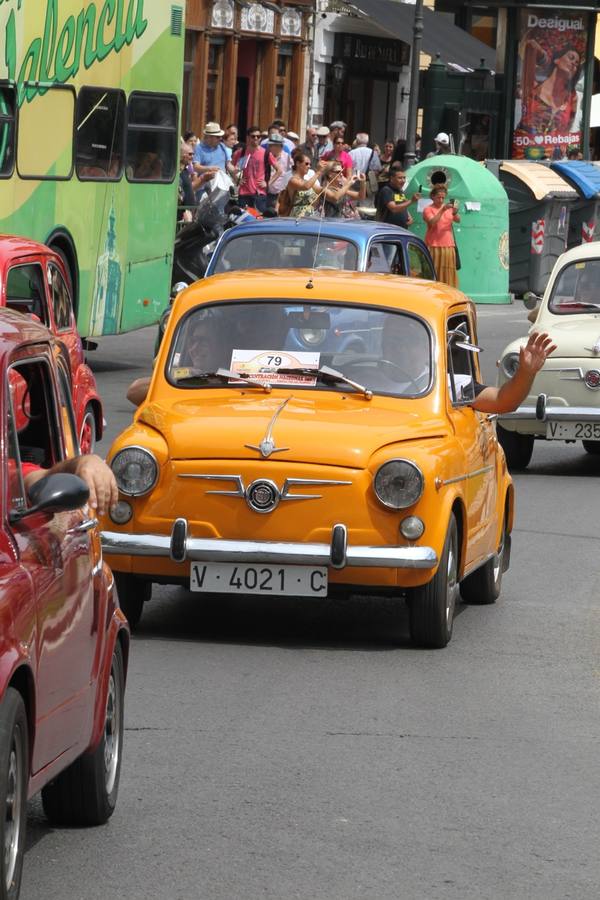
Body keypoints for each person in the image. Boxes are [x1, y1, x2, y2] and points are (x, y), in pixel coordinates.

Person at [516, 40, 582, 142]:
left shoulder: (572, 97)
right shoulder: (532, 87)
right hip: (524, 152)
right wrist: (547, 63)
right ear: (557, 60)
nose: (574, 63)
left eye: (577, 64)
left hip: (554, 155)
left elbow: (567, 130)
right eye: (571, 58)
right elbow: (531, 45)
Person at [422, 185, 460, 288]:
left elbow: (458, 220)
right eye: (439, 197)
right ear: (432, 197)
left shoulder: (449, 209)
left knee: (448, 271)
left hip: (448, 245)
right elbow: (432, 222)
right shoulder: (428, 209)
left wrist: (455, 212)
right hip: (433, 245)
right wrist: (442, 210)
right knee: (434, 270)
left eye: (443, 197)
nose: (441, 200)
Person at [233, 125, 277, 212]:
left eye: (258, 136)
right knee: (243, 220)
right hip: (244, 193)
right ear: (248, 138)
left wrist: (268, 183)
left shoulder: (266, 153)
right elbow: (230, 166)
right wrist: (237, 179)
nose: (256, 138)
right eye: (253, 136)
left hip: (259, 194)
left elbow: (279, 170)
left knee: (259, 220)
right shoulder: (241, 152)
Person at [282, 151, 324, 218]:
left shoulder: (307, 181)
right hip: (298, 217)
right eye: (306, 164)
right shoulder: (293, 180)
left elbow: (321, 190)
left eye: (310, 164)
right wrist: (318, 172)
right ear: (298, 163)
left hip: (312, 216)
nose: (309, 166)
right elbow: (306, 186)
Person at [193, 122, 229, 191]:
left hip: (221, 188)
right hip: (204, 189)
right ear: (209, 137)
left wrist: (235, 171)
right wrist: (210, 168)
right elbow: (195, 167)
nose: (220, 139)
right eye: (218, 137)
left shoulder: (222, 146)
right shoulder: (199, 148)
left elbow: (228, 165)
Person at [266, 133, 292, 211]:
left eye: (271, 145)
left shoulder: (287, 158)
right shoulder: (266, 156)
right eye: (269, 145)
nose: (269, 147)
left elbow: (291, 175)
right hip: (267, 194)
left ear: (279, 146)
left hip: (281, 196)